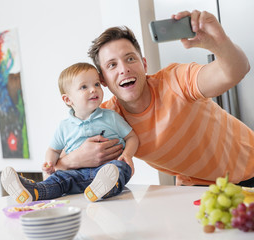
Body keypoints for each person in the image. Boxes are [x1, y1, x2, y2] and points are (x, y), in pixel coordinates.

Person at [55, 10, 254, 187]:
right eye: (112, 65)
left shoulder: (175, 80)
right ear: (103, 80)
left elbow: (237, 70)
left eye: (130, 59)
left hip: (250, 169)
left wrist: (217, 42)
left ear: (144, 64)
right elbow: (57, 162)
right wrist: (72, 160)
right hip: (199, 190)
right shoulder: (107, 119)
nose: (124, 69)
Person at [1, 63, 139, 204]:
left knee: (121, 168)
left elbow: (132, 137)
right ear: (68, 99)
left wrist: (127, 155)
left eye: (97, 84)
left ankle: (103, 190)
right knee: (58, 179)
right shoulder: (64, 126)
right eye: (84, 87)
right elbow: (53, 150)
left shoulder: (111, 117)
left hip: (107, 169)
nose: (93, 90)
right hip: (75, 173)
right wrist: (49, 162)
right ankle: (33, 191)